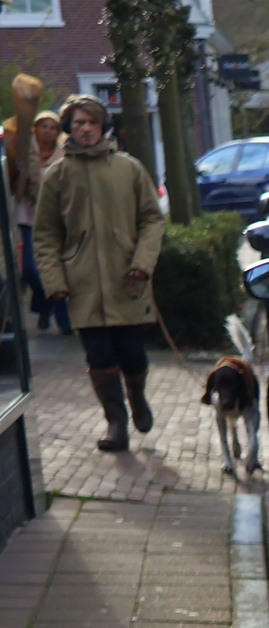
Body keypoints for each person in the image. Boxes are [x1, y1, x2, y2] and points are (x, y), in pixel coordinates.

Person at [32, 94, 162, 453]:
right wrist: (55, 281)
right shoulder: (57, 175)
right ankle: (116, 422)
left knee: (133, 355)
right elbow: (45, 234)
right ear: (68, 130)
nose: (85, 129)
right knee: (99, 358)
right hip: (83, 284)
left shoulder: (129, 168)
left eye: (91, 122)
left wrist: (142, 262)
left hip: (128, 280)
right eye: (77, 123)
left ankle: (137, 395)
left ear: (102, 126)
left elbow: (152, 219)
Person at [7, 108, 66, 335]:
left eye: (53, 128)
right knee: (31, 269)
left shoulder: (63, 155)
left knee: (55, 265)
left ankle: (57, 316)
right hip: (28, 215)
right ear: (36, 128)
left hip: (53, 217)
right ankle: (44, 303)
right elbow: (15, 187)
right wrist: (20, 170)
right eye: (44, 126)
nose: (48, 131)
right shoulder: (23, 152)